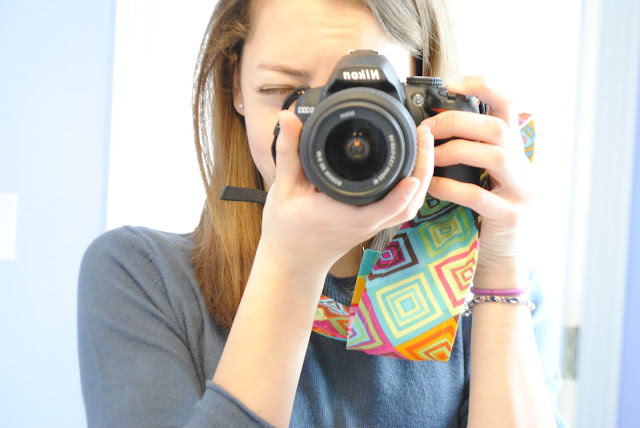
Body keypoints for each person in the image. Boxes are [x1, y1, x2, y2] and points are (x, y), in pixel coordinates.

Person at [78, 0, 565, 426]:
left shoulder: (487, 287)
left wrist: (499, 272)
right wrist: (290, 267)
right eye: (288, 93)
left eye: (367, 99)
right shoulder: (142, 276)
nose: (330, 128)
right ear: (236, 86)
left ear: (421, 94)